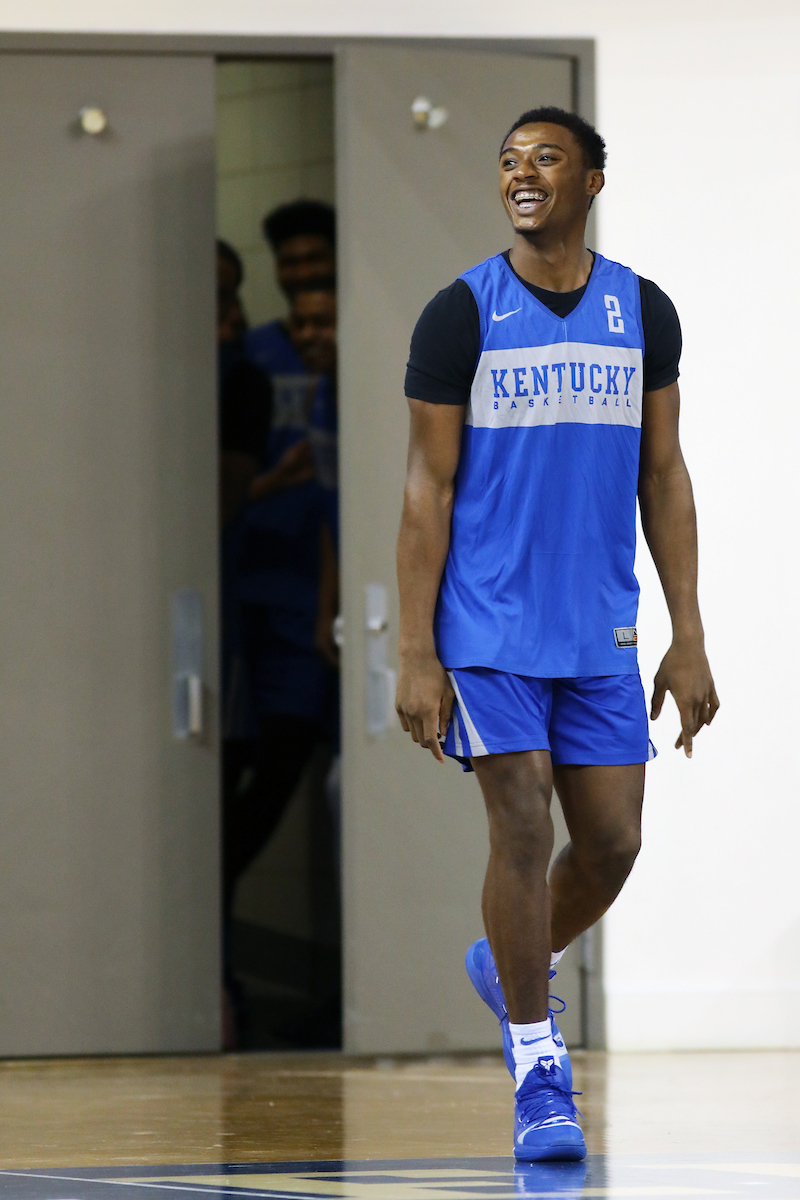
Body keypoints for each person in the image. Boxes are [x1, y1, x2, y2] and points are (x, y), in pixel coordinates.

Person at [395, 107, 719, 1162]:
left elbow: (661, 475)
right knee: (523, 827)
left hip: (600, 631)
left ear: (590, 180)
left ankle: (506, 965)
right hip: (487, 626)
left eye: (544, 159)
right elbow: (424, 489)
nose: (521, 174)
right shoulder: (460, 313)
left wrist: (687, 635)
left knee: (614, 842)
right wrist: (413, 651)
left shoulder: (641, 310)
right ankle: (538, 1065)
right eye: (507, 162)